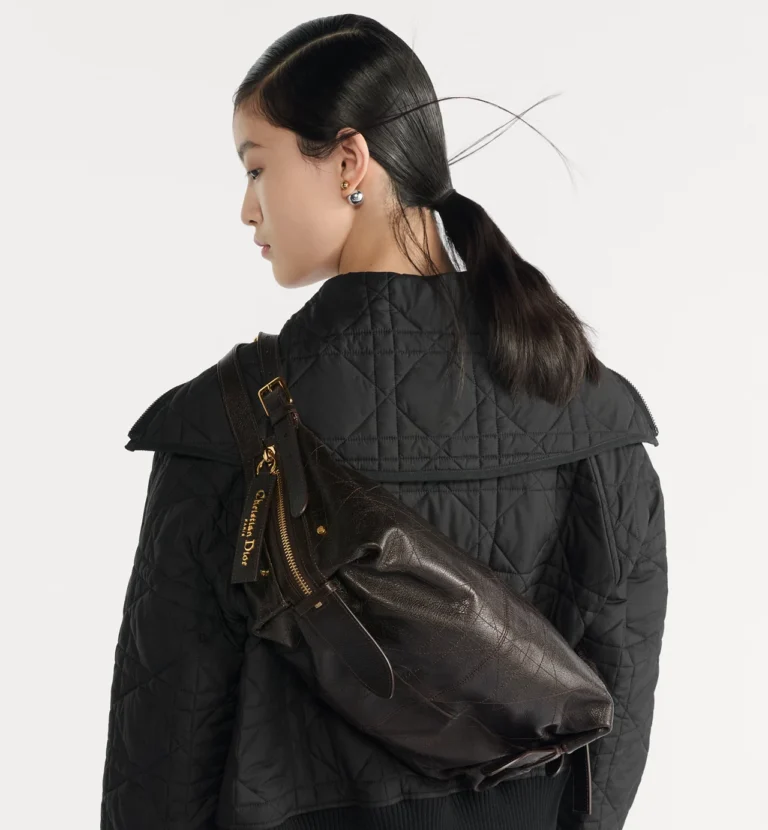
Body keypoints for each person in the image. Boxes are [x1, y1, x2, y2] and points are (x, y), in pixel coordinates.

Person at [100, 13, 667, 830]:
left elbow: (162, 750)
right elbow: (617, 715)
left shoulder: (231, 427)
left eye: (256, 168)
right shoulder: (592, 413)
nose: (246, 210)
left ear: (349, 162)